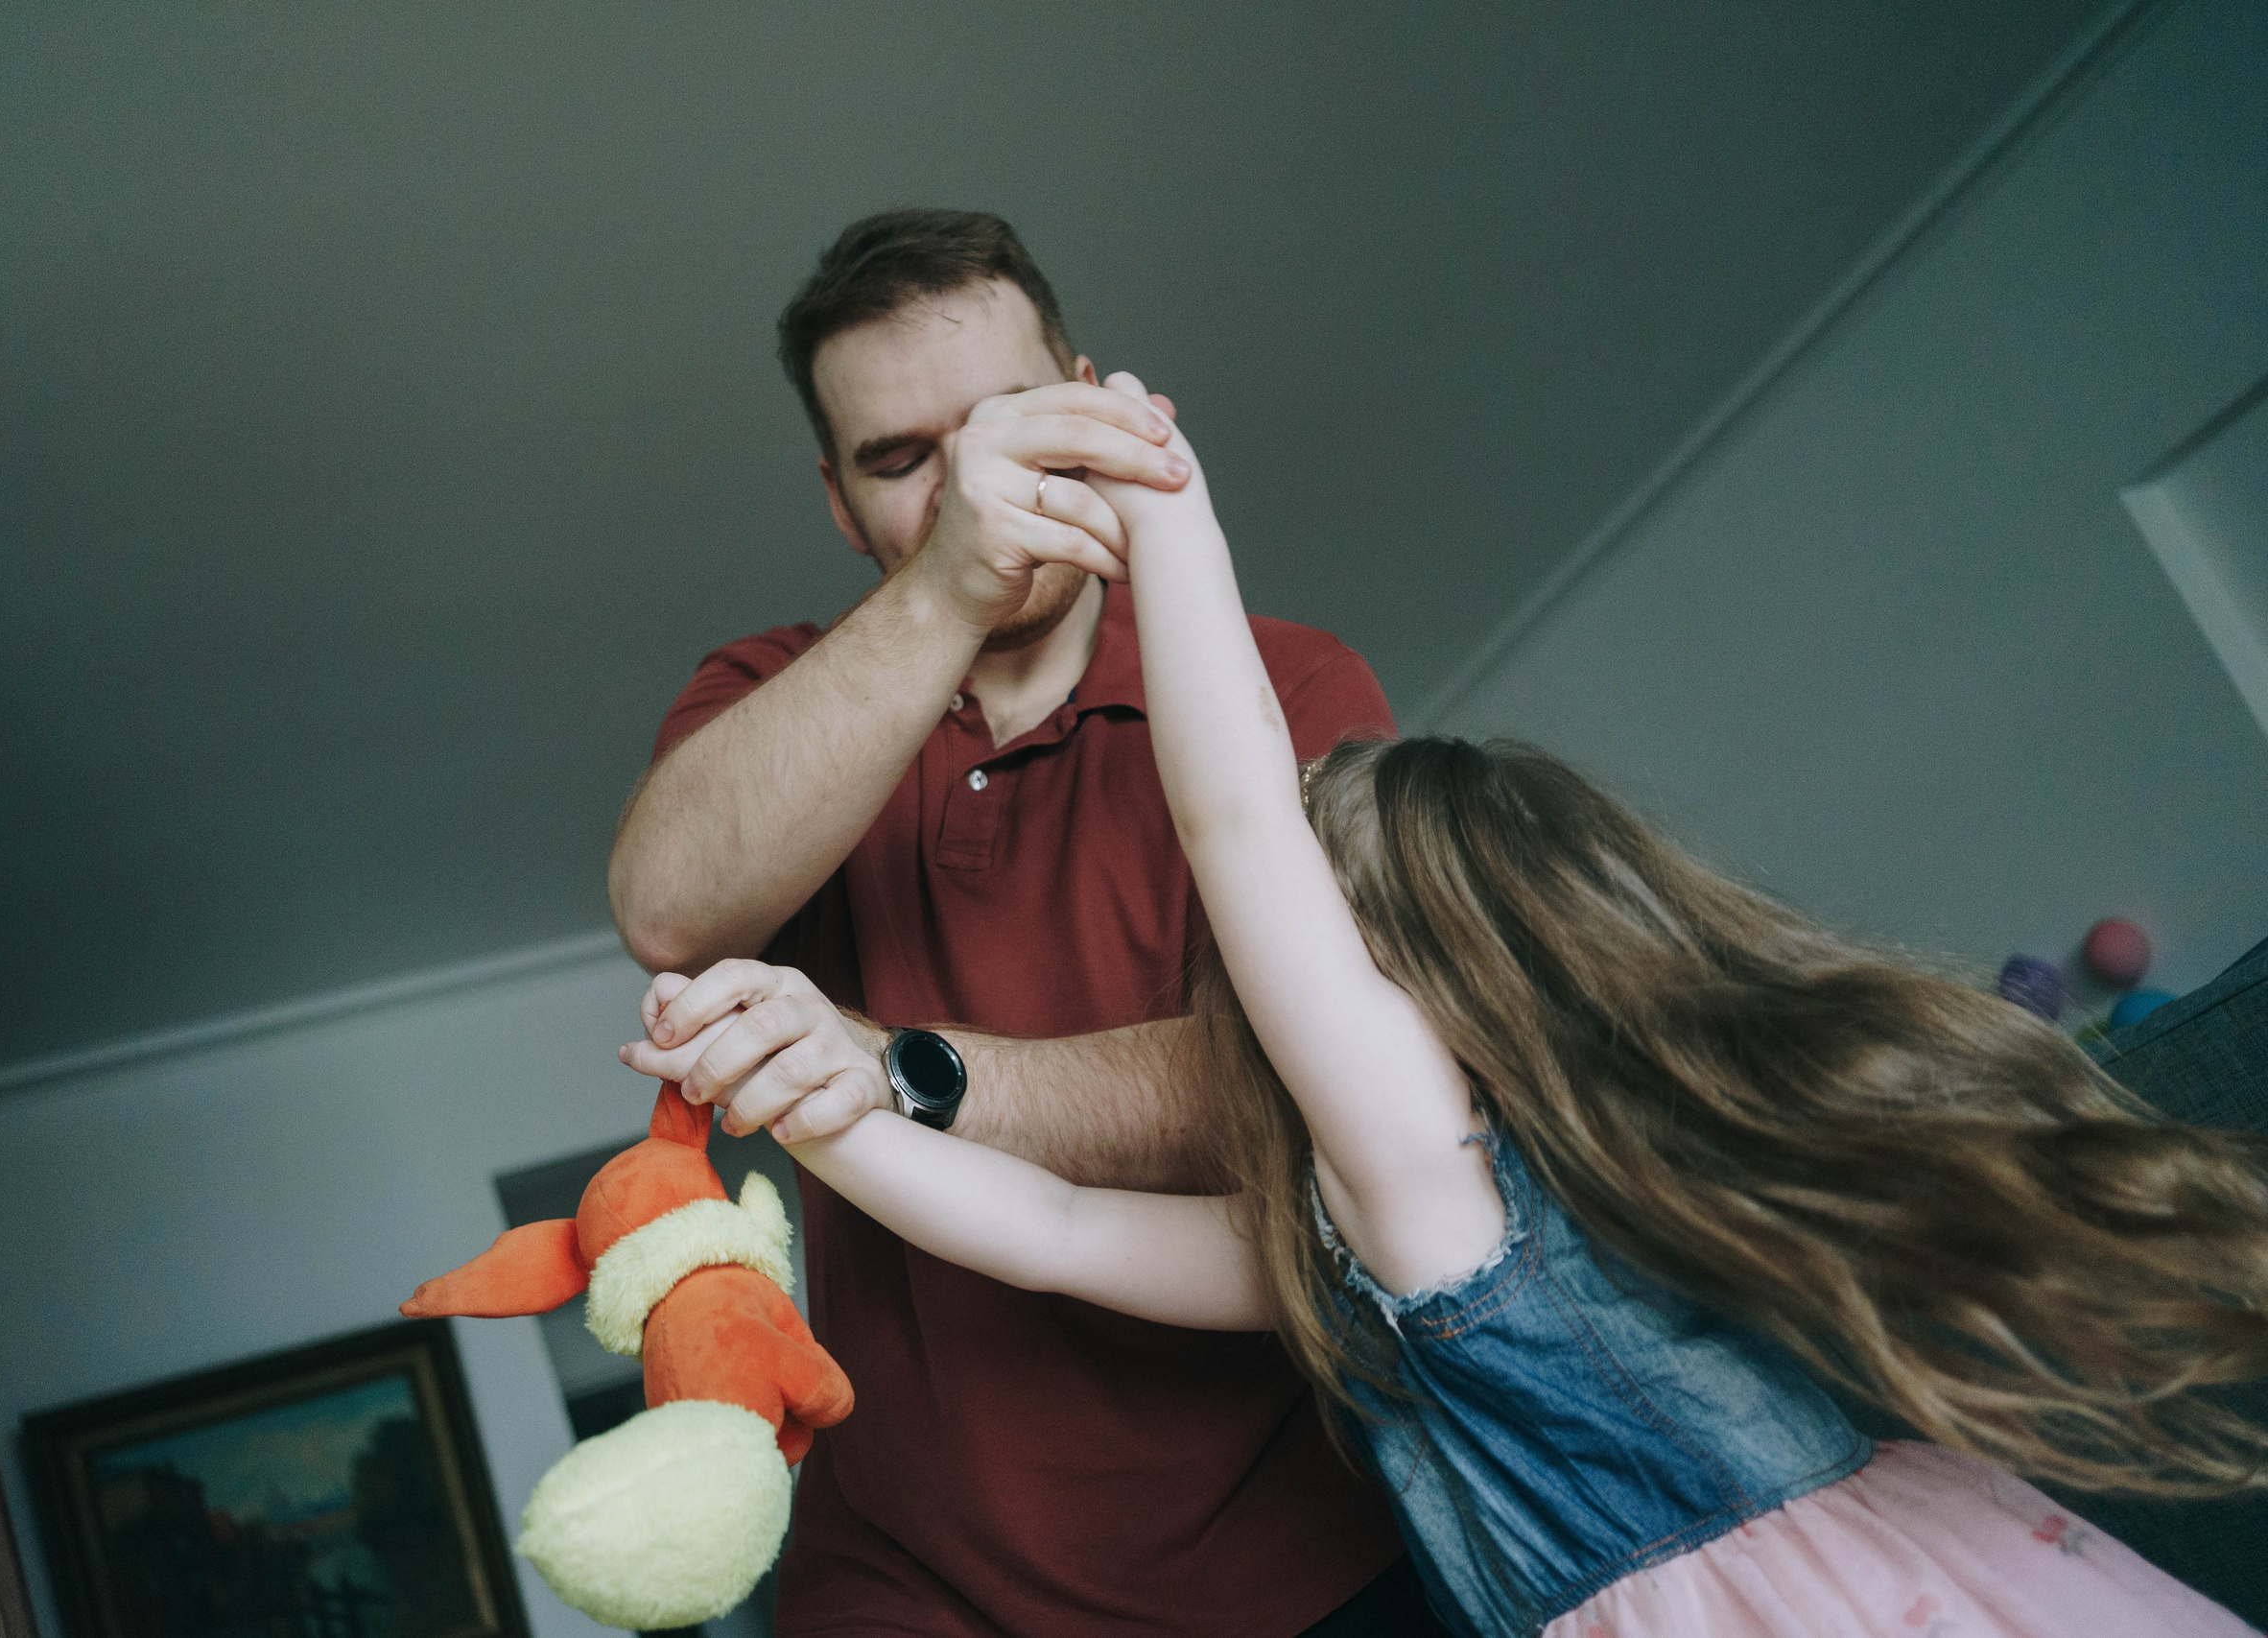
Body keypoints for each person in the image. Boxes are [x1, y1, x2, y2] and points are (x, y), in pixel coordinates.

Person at [634, 372, 2268, 1636]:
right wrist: (806, 1091)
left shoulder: (1438, 1196)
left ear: (1436, 979)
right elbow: (1051, 1224)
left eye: (1320, 948)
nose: (1275, 972)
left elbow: (1234, 820)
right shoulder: (1375, 1241)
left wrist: (1165, 501)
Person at [609, 210, 1438, 1635]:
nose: (970, 485)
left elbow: (1322, 1079)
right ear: (836, 499)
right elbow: (665, 905)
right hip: (911, 1578)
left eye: (1004, 422)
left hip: (1316, 1544)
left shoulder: (1286, 684)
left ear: (1094, 397)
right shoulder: (770, 689)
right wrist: (947, 583)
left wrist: (902, 1070)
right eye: (900, 461)